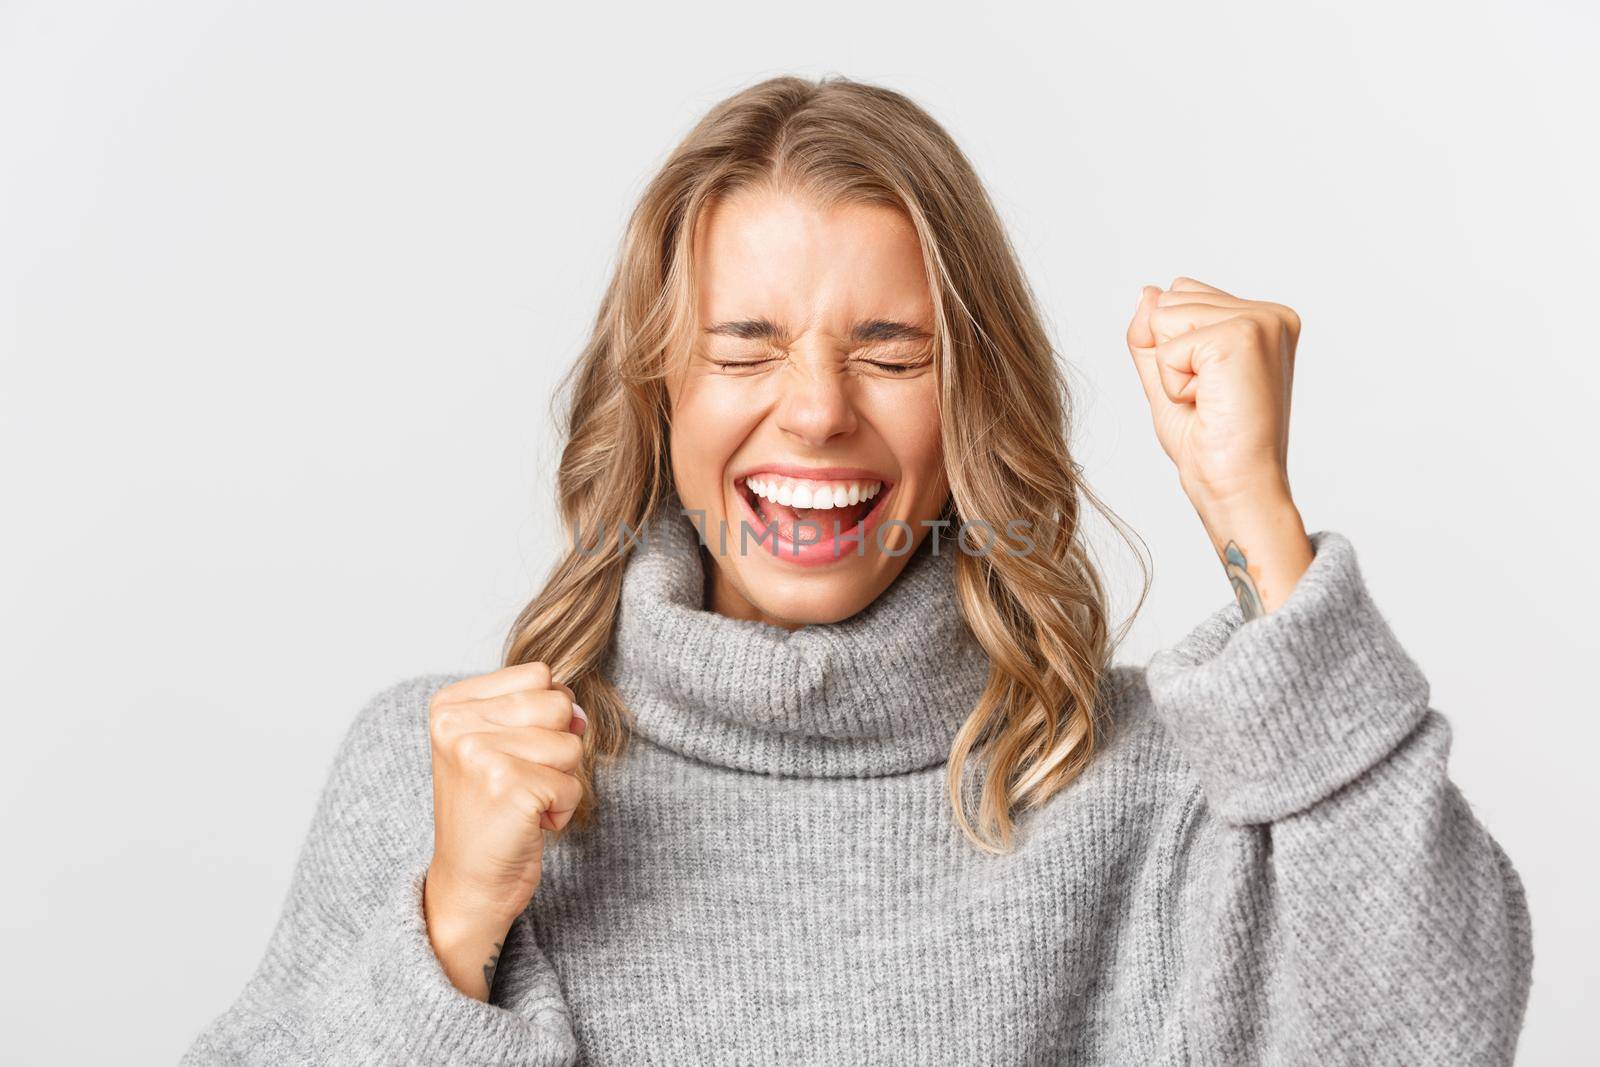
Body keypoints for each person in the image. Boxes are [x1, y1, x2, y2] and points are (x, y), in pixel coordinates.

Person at [185, 75, 1533, 1065]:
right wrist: (449, 936)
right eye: (746, 348)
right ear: (655, 396)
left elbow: (1437, 1034)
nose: (819, 410)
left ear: (972, 405)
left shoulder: (1158, 791)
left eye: (890, 350)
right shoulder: (442, 778)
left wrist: (1259, 521)